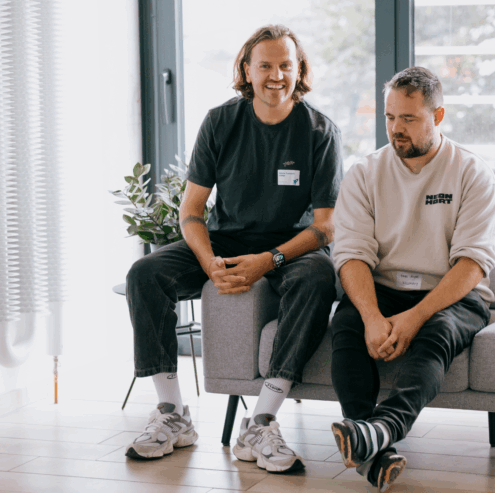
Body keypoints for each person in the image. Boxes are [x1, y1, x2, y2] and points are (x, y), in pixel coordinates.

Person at [124, 25, 343, 474]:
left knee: (320, 278)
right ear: (247, 69)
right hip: (226, 240)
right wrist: (209, 262)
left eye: (286, 65)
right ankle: (173, 414)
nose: (276, 75)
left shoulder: (320, 131)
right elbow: (191, 211)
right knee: (144, 274)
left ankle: (260, 422)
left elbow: (326, 226)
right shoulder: (221, 122)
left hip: (292, 246)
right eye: (265, 66)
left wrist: (270, 260)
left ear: (299, 69)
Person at [329, 66, 495, 491]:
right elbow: (351, 254)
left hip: (453, 294)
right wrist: (371, 316)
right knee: (347, 323)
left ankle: (380, 429)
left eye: (408, 118)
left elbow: (472, 263)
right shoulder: (364, 173)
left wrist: (415, 317)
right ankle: (373, 446)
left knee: (436, 332)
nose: (396, 128)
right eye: (390, 117)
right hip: (384, 288)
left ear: (437, 116)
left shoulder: (471, 172)